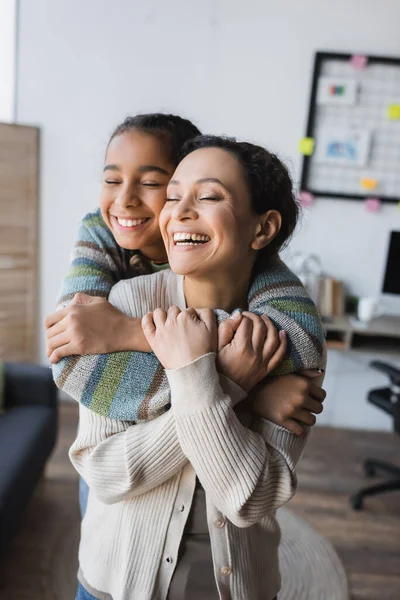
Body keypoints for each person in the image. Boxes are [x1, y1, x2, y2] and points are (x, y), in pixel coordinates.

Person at [68, 134, 326, 600]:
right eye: (172, 196)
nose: (179, 211)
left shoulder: (288, 337)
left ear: (263, 229)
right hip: (115, 580)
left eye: (208, 196)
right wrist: (227, 382)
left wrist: (202, 377)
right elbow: (104, 474)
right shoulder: (124, 304)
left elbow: (251, 500)